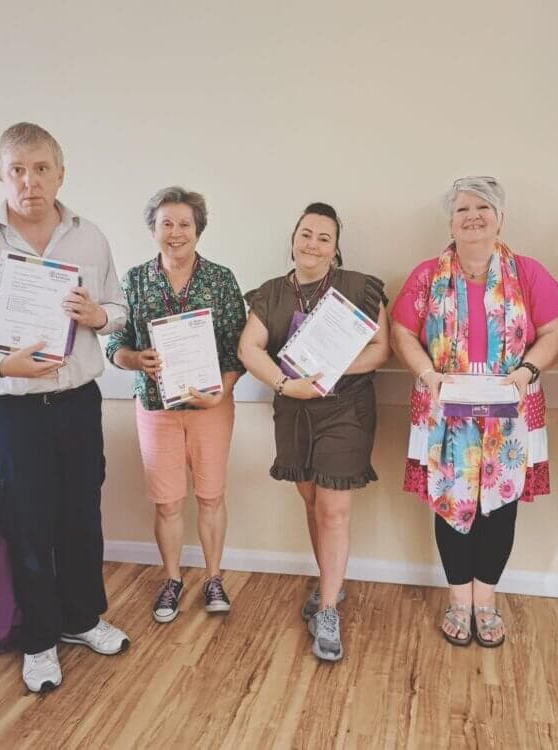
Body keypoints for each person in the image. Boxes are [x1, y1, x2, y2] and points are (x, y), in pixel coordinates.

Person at [0, 122, 130, 693]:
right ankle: (38, 639)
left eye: (41, 169)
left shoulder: (90, 237)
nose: (29, 182)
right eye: (17, 170)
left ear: (60, 174)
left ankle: (82, 618)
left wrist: (99, 316)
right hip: (11, 410)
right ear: (0, 175)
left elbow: (118, 307)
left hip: (77, 403)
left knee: (82, 515)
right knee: (27, 525)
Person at [391, 177, 558, 648]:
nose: (472, 216)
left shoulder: (527, 272)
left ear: (500, 218)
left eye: (483, 208)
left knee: (499, 509)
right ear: (450, 222)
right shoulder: (426, 275)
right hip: (444, 410)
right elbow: (402, 333)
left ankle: (485, 602)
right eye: (462, 209)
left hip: (509, 411)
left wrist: (527, 370)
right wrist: (427, 374)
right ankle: (458, 601)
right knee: (450, 505)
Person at [238, 202, 390, 662]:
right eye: (306, 234)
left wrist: (329, 373)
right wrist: (286, 385)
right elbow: (249, 348)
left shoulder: (359, 288)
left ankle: (326, 610)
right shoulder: (271, 293)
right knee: (312, 501)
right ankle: (331, 583)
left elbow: (380, 349)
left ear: (336, 248)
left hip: (346, 410)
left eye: (324, 238)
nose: (313, 244)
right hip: (293, 410)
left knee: (334, 510)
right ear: (293, 239)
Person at [106, 187, 246, 623]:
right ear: (153, 229)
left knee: (211, 496)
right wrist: (136, 360)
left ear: (198, 230)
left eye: (184, 223)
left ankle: (214, 577)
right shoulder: (134, 280)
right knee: (166, 503)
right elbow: (115, 345)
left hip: (211, 408)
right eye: (166, 223)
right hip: (156, 408)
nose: (176, 232)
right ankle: (171, 579)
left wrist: (222, 391)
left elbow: (238, 349)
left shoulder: (220, 279)